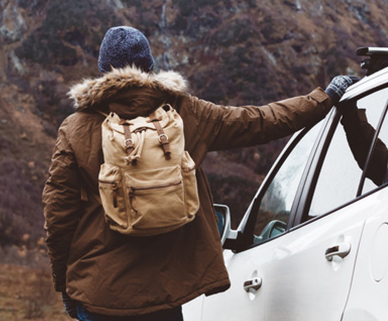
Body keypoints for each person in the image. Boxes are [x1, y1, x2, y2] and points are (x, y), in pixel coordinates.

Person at [42, 26, 356, 320]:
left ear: (103, 71)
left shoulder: (77, 129)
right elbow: (260, 121)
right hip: (166, 293)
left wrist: (65, 285)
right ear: (150, 67)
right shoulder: (183, 112)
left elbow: (59, 217)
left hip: (101, 293)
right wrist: (323, 99)